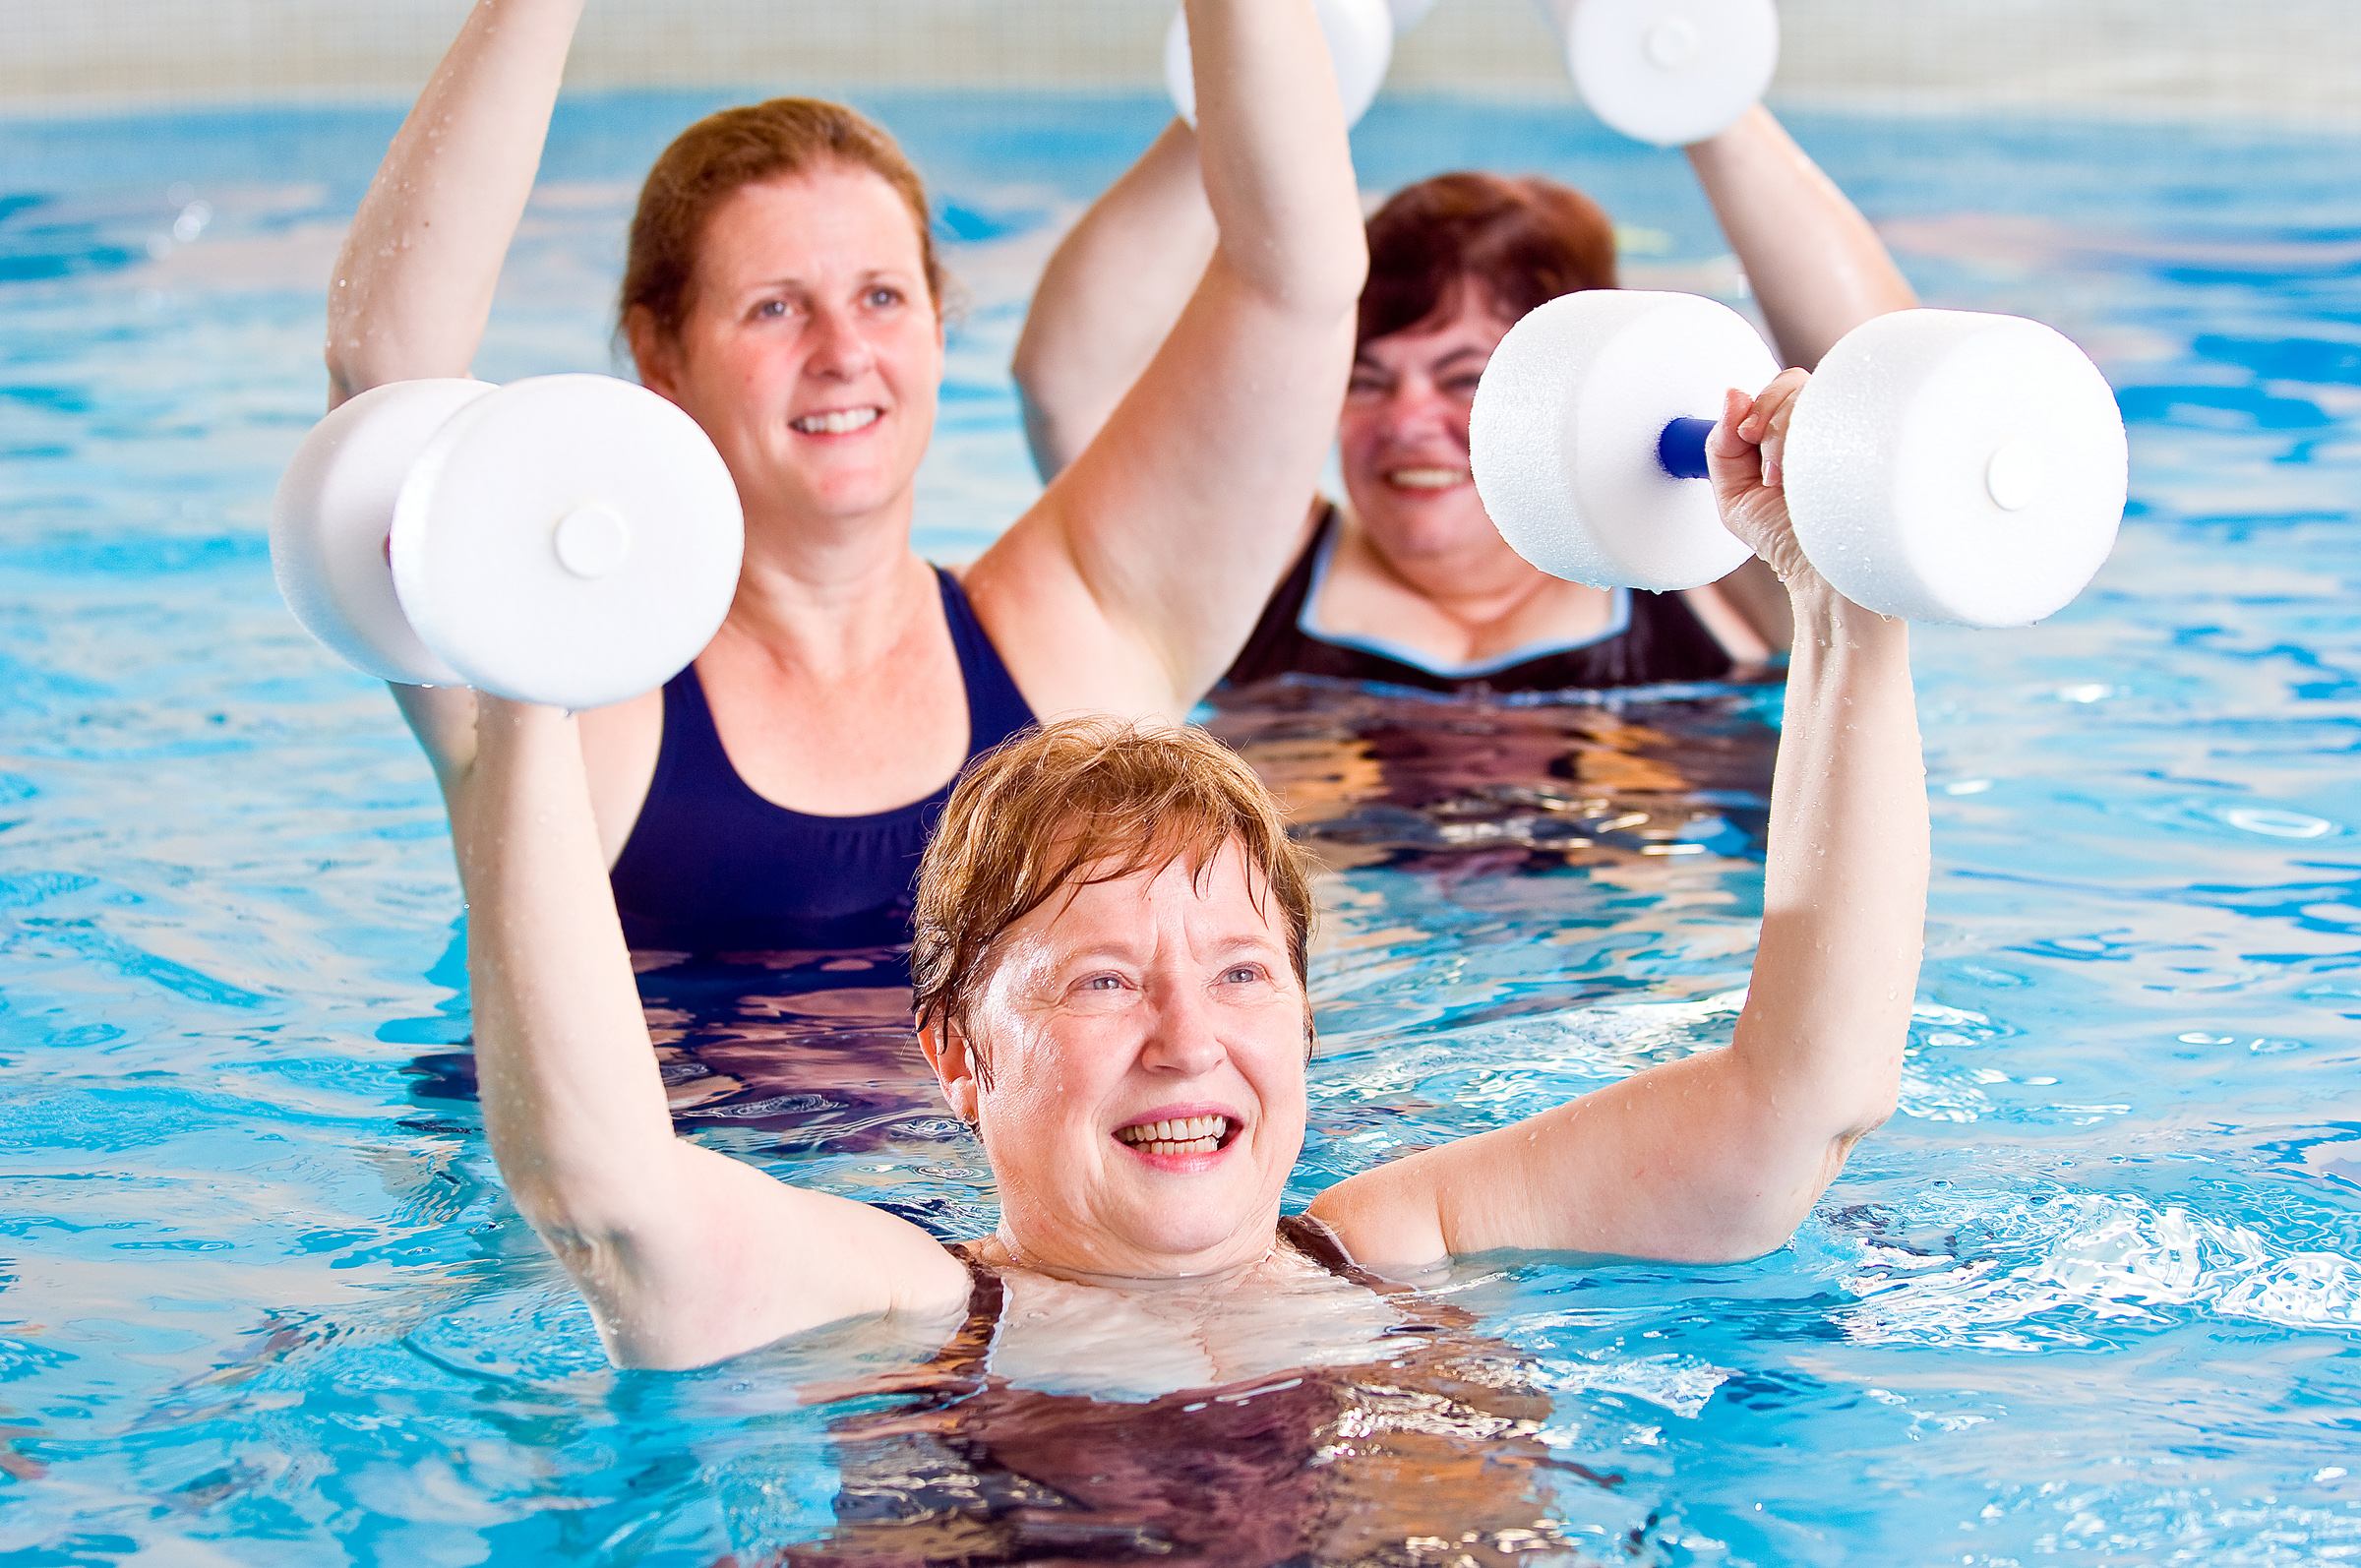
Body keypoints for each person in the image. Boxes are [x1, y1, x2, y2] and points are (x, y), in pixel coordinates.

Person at [450, 374, 1928, 1556]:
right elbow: (604, 1189)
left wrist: (1841, 613)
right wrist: (524, 698)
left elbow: (1802, 1100)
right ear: (958, 1053)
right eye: (1102, 980)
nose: (1186, 1039)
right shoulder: (909, 1311)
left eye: (1241, 975)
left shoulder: (1409, 1237)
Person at [328, 0, 1365, 954]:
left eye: (881, 298)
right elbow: (387, 385)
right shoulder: (566, 693)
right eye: (775, 308)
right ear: (659, 356)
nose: (842, 352)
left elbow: (1297, 279)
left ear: (938, 327)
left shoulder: (1086, 629)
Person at [1011, 108, 1919, 694]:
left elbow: (1885, 414)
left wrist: (1707, 100)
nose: (1407, 421)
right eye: (1366, 380)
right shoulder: (1249, 576)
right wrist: (1231, 93)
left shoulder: (1717, 580)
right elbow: (1069, 389)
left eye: (1465, 381)